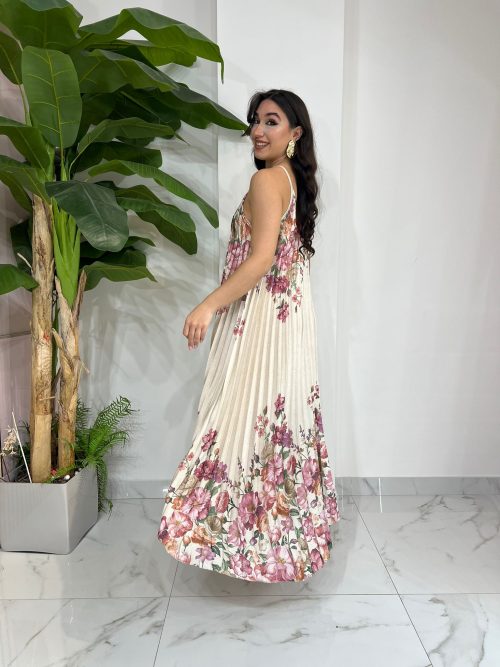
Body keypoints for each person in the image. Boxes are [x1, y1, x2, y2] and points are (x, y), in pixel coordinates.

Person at [157, 89, 341, 583]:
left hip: (262, 320)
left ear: (295, 133)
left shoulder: (266, 180)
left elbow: (260, 261)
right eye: (255, 120)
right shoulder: (289, 179)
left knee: (240, 419)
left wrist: (208, 304)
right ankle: (278, 541)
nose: (258, 131)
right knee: (269, 422)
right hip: (288, 322)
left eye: (271, 121)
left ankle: (235, 538)